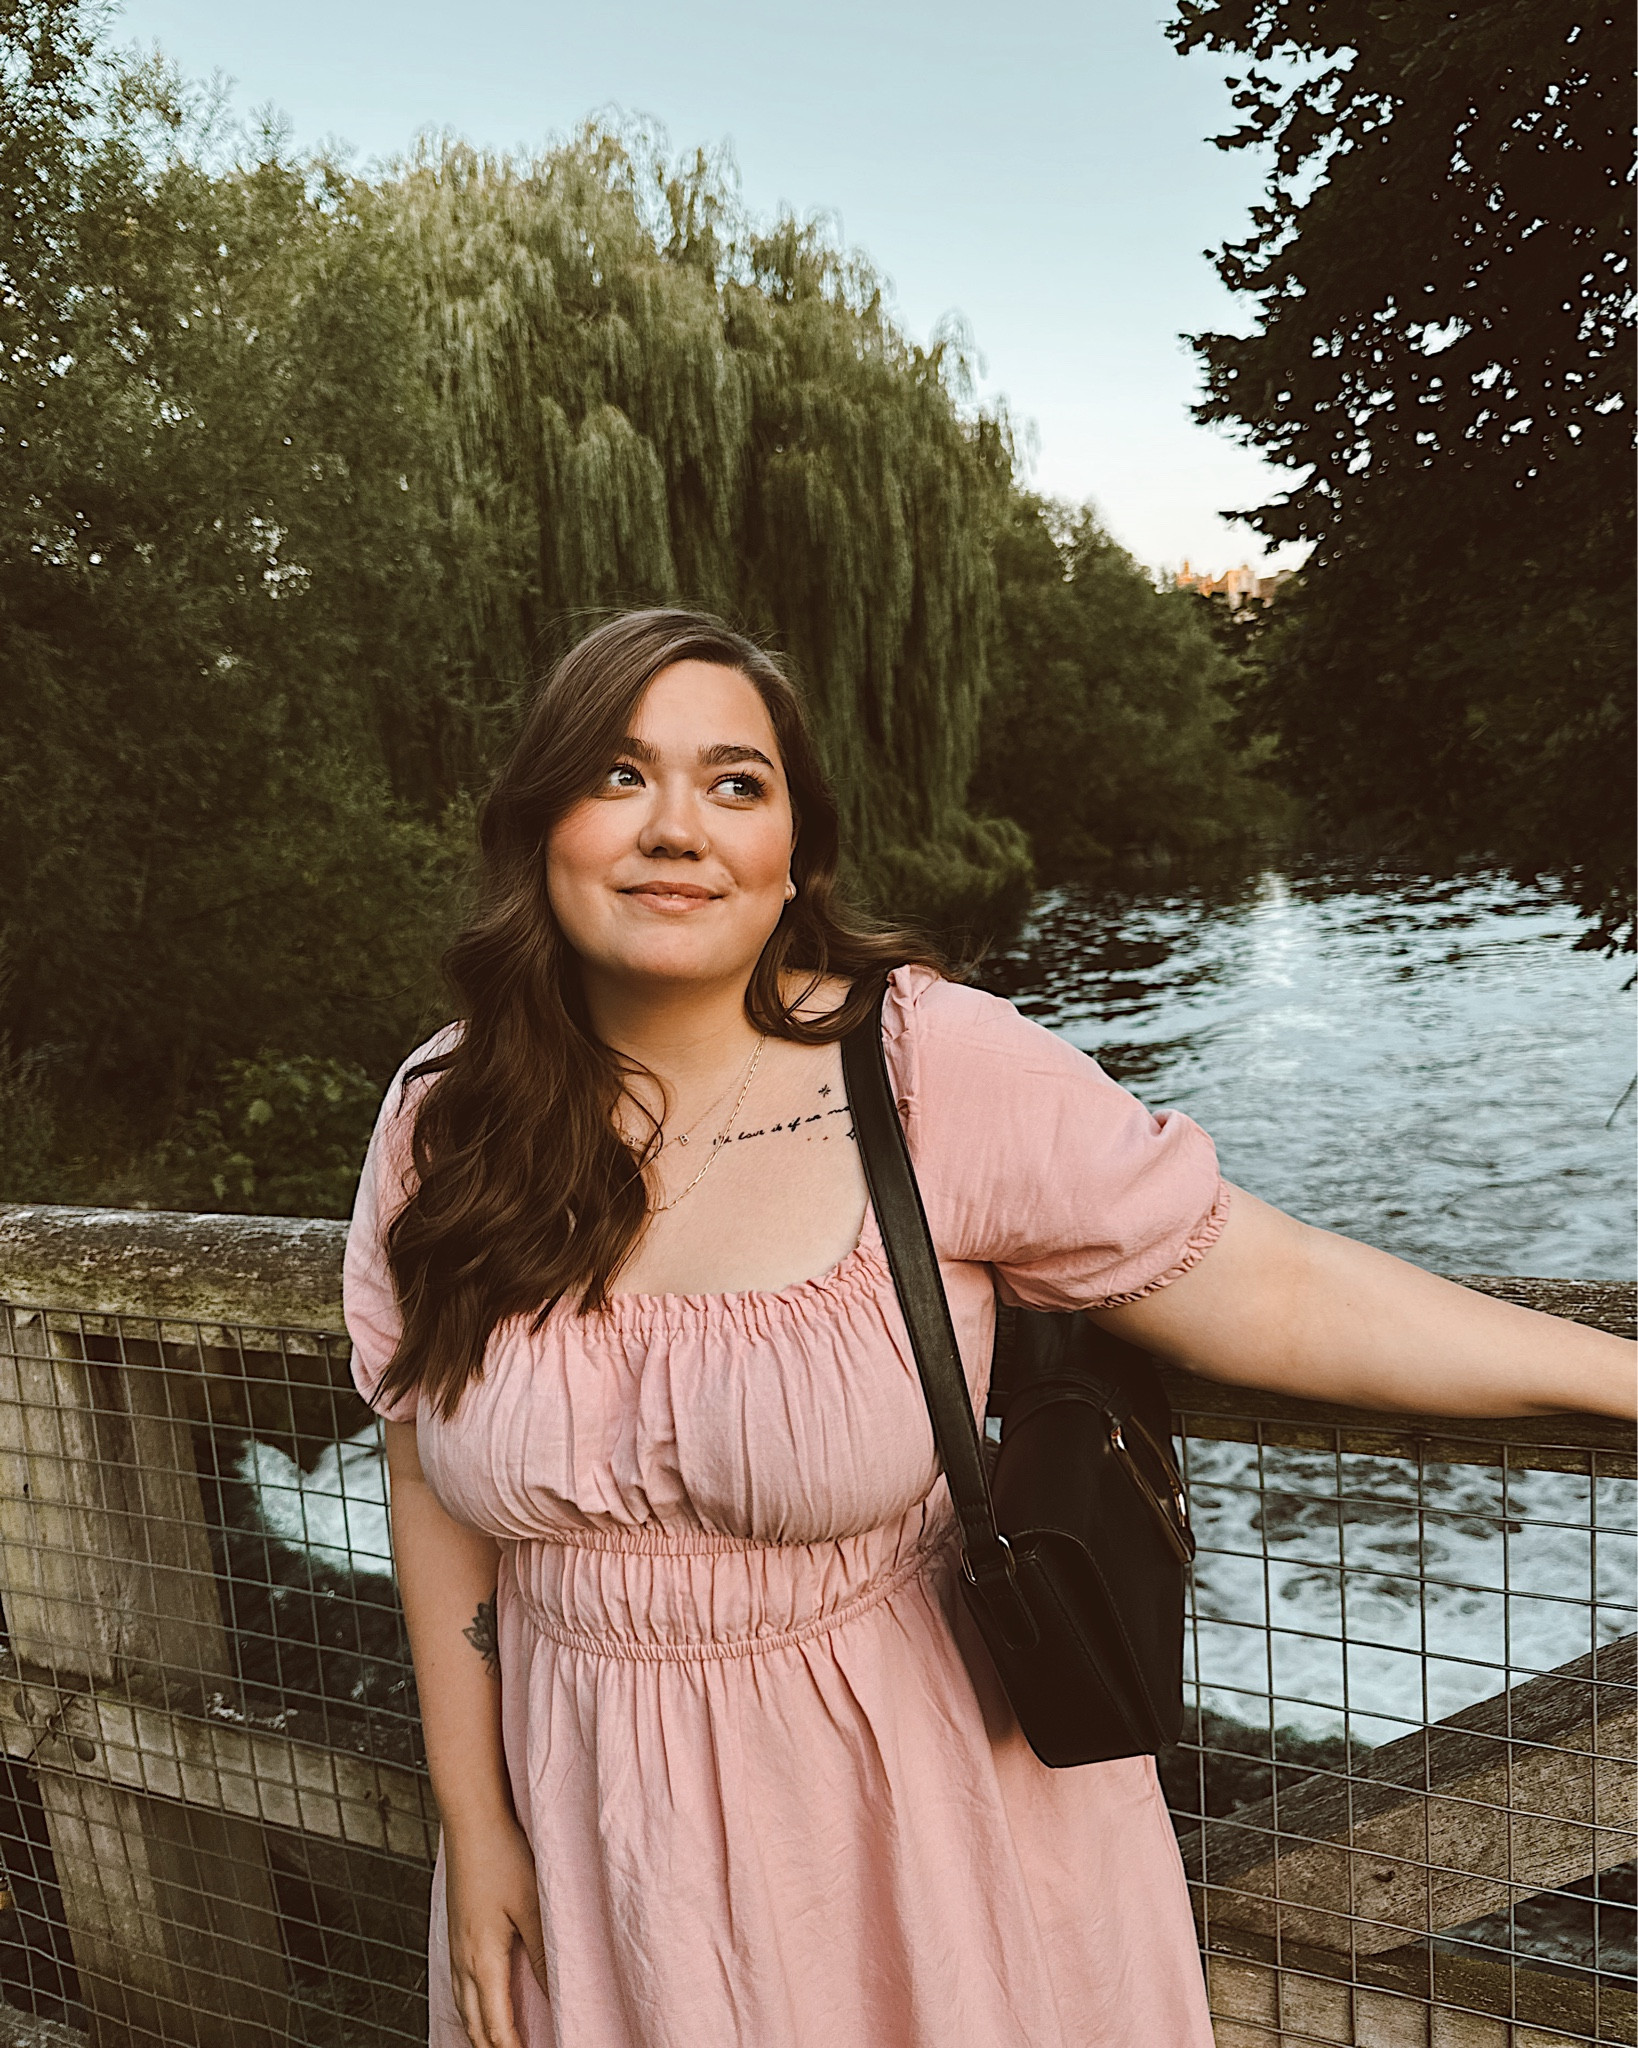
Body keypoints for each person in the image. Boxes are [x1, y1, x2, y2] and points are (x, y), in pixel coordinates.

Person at [342, 607, 1636, 2048]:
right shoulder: (444, 1118)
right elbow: (423, 1467)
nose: (673, 829)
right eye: (615, 775)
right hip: (590, 1831)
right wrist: (481, 1827)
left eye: (733, 783)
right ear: (539, 829)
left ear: (797, 859)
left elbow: (1268, 1284)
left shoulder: (927, 1071)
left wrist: (1620, 1373)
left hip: (914, 1828)